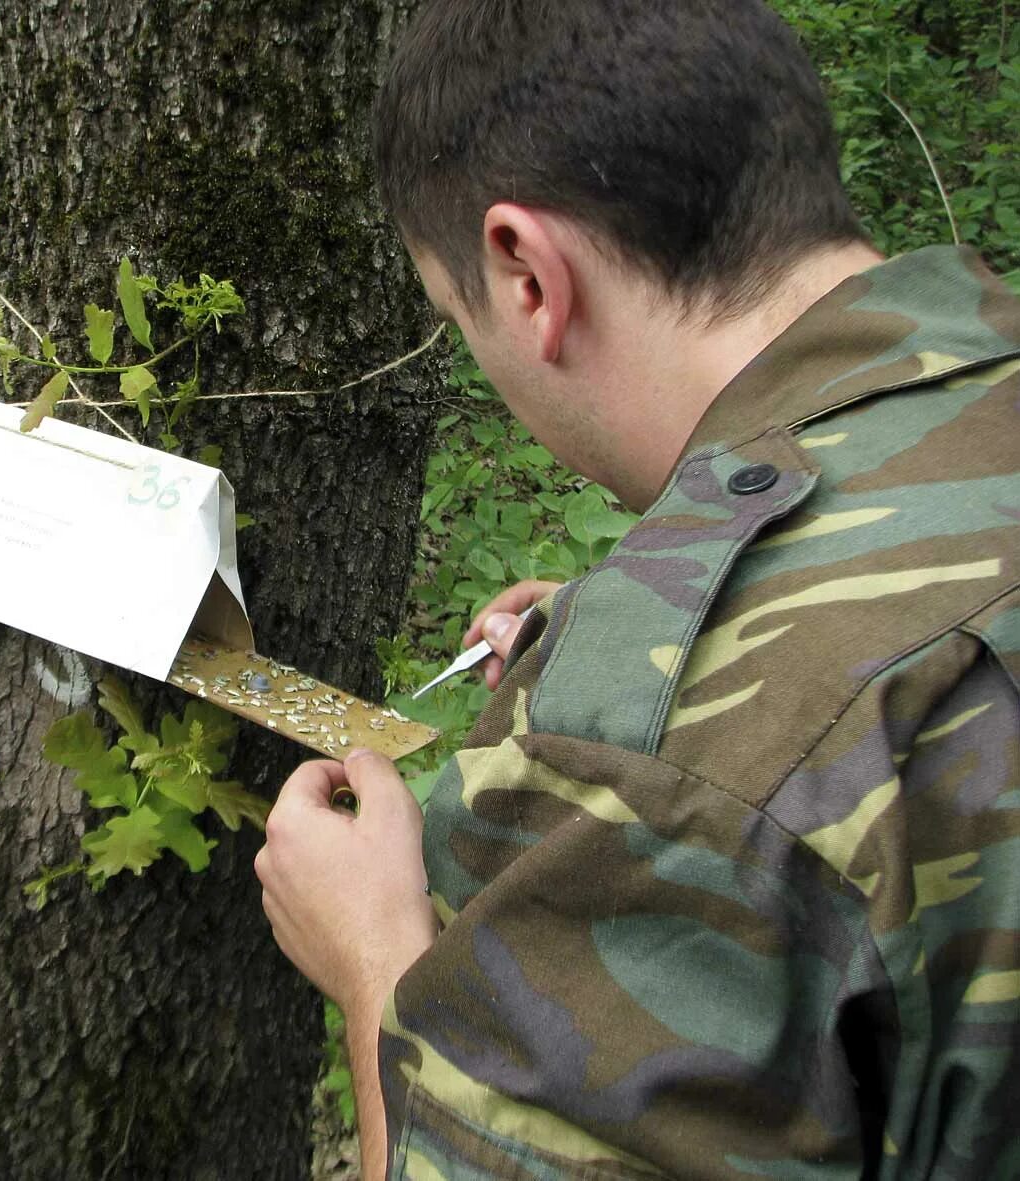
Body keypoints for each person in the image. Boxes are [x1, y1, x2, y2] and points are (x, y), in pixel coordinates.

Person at [253, 0, 1020, 1177]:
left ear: (524, 271)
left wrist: (377, 957)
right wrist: (701, 616)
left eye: (460, 320)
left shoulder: (666, 767)